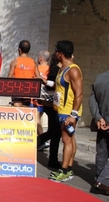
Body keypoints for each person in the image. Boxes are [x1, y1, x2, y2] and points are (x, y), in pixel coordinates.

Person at [49, 40, 83, 182]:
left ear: (61, 54)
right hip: (61, 110)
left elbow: (79, 94)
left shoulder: (73, 70)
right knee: (70, 138)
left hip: (68, 112)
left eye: (56, 51)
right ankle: (69, 167)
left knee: (66, 140)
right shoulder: (62, 68)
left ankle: (64, 170)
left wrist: (73, 115)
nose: (55, 53)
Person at [37, 53, 62, 169]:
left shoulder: (56, 68)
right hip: (52, 104)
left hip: (51, 104)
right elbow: (49, 85)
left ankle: (33, 145)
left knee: (53, 132)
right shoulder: (56, 69)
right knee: (56, 133)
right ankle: (53, 160)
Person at [90, 70, 109, 194]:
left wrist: (99, 118)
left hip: (101, 122)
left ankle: (98, 179)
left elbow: (92, 100)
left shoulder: (100, 78)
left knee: (102, 151)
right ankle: (103, 182)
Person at [7, 40, 41, 107]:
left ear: (19, 50)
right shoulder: (33, 62)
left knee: (17, 112)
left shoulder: (15, 62)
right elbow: (39, 78)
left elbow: (9, 78)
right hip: (28, 92)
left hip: (16, 91)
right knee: (25, 113)